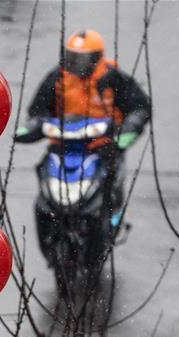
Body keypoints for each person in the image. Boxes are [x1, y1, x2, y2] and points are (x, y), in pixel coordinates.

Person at [14, 29, 151, 266]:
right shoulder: (57, 79)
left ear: (97, 57)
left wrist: (126, 132)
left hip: (103, 149)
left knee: (110, 190)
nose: (77, 64)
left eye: (84, 58)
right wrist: (32, 127)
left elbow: (140, 107)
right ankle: (49, 241)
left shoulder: (113, 78)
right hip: (63, 148)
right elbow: (38, 111)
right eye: (73, 57)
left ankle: (111, 224)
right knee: (43, 198)